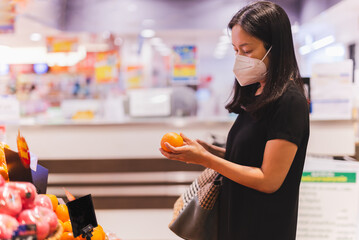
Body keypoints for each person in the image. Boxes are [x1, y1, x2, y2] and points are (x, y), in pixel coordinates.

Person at [159, 1, 310, 239]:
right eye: (236, 50)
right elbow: (249, 158)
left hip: (264, 227)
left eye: (247, 50)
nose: (239, 58)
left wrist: (207, 159)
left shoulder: (289, 102)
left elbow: (268, 179)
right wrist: (209, 151)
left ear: (275, 48)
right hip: (234, 220)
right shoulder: (256, 93)